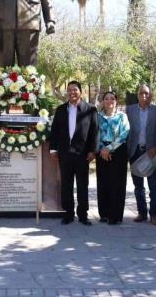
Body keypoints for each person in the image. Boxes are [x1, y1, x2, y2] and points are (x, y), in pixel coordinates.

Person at [49, 81, 99, 226]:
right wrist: (53, 149)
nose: (72, 92)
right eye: (69, 90)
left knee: (83, 185)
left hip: (83, 154)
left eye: (75, 90)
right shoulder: (60, 110)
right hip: (65, 154)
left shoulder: (90, 109)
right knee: (66, 185)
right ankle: (68, 214)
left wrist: (92, 151)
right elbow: (55, 131)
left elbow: (95, 132)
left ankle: (83, 214)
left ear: (81, 92)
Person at [126, 84, 156, 225]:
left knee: (153, 184)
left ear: (151, 95)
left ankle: (154, 214)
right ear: (137, 95)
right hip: (134, 151)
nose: (144, 96)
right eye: (141, 93)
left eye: (147, 94)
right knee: (138, 185)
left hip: (150, 151)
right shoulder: (129, 110)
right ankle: (142, 213)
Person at [96, 91, 130, 225]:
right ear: (103, 101)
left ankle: (115, 215)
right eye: (106, 99)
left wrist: (109, 148)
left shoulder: (122, 116)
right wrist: (102, 148)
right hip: (101, 152)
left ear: (116, 101)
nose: (109, 101)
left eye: (112, 99)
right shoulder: (98, 116)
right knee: (103, 182)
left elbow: (124, 134)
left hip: (118, 151)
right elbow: (95, 134)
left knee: (117, 183)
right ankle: (103, 213)